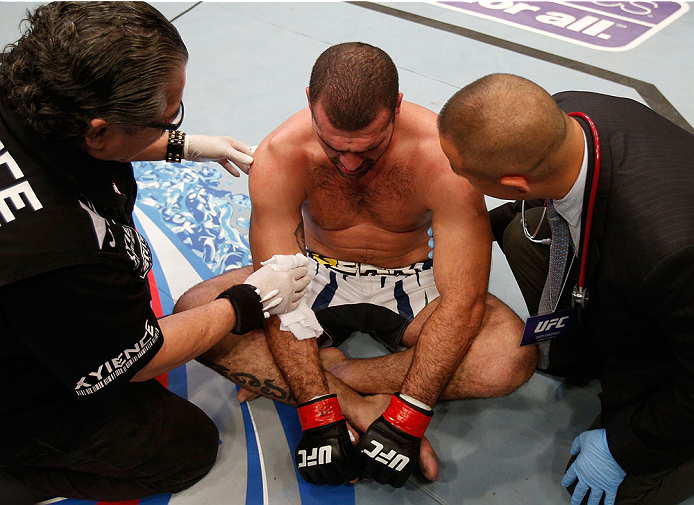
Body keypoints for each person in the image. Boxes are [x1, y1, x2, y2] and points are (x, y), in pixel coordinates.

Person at [175, 42, 537, 488]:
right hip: (313, 272)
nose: (348, 163)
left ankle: (341, 375)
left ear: (397, 108)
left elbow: (463, 300)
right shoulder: (281, 153)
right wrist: (317, 409)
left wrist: (410, 413)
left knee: (510, 356)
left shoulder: (442, 157)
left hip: (415, 278)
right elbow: (277, 283)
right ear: (310, 100)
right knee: (197, 312)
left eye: (368, 147)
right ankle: (358, 404)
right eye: (333, 146)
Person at [0, 2, 311, 503]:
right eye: (165, 119)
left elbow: (86, 132)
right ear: (100, 132)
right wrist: (245, 302)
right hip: (18, 387)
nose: (172, 126)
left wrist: (182, 145)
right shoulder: (57, 247)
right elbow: (137, 359)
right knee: (183, 448)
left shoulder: (23, 84)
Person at [437, 73, 694, 505]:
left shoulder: (666, 254)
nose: (452, 176)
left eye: (459, 171)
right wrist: (466, 235)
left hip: (677, 307)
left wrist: (624, 445)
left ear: (515, 183)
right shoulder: (565, 114)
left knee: (624, 495)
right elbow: (535, 203)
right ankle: (583, 351)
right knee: (522, 232)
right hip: (653, 269)